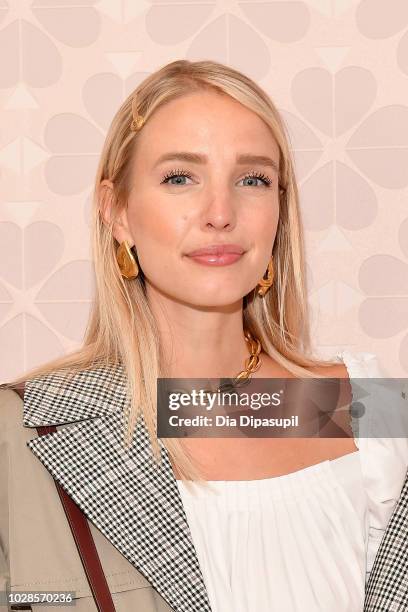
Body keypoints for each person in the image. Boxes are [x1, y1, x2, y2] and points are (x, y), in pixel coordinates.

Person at [0, 59, 407, 612]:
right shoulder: (23, 432)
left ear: (279, 210)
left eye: (252, 179)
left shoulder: (366, 404)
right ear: (117, 212)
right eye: (179, 178)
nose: (221, 213)